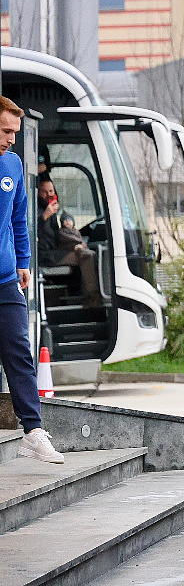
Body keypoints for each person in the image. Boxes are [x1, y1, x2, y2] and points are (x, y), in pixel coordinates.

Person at [0, 96, 64, 464]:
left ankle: (33, 432)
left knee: (20, 353)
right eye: (5, 131)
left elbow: (18, 218)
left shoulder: (12, 164)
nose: (11, 138)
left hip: (5, 279)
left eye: (14, 132)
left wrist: (22, 260)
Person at [36, 174, 100, 308]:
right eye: (44, 192)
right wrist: (45, 216)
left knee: (86, 253)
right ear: (38, 193)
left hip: (55, 250)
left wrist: (69, 228)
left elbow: (58, 234)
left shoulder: (52, 210)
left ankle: (83, 295)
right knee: (87, 257)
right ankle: (92, 298)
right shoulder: (37, 210)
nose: (48, 195)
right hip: (44, 255)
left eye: (51, 191)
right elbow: (32, 230)